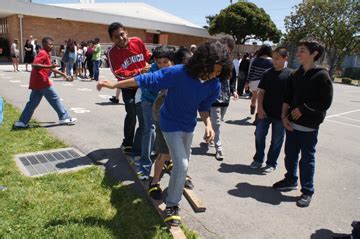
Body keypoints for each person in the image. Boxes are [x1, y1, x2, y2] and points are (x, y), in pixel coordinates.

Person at [97, 40, 231, 227]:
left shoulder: (214, 85)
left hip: (188, 126)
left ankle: (170, 178)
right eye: (213, 70)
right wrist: (114, 85)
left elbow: (204, 107)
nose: (215, 75)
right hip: (169, 123)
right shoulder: (179, 73)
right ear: (203, 62)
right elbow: (146, 79)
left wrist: (208, 125)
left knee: (183, 162)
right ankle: (172, 205)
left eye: (219, 72)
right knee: (182, 164)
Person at [272, 37, 333, 208]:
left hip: (309, 128)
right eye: (299, 50)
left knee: (306, 160)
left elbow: (324, 102)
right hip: (291, 126)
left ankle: (307, 190)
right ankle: (290, 179)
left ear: (314, 54)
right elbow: (287, 97)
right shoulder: (295, 74)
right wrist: (284, 117)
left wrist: (303, 109)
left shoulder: (322, 75)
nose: (298, 53)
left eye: (302, 51)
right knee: (290, 156)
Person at [106, 22, 151, 154]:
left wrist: (158, 60)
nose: (120, 39)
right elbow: (117, 73)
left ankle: (147, 143)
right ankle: (128, 143)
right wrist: (139, 71)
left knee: (147, 115)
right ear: (111, 39)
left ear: (126, 32)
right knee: (131, 113)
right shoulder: (112, 53)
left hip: (144, 85)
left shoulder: (137, 41)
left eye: (122, 34)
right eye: (116, 37)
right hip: (128, 87)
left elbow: (147, 56)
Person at [14, 37, 77, 129]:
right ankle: (64, 117)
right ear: (44, 44)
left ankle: (22, 122)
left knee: (32, 102)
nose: (51, 46)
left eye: (52, 44)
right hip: (42, 81)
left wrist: (64, 74)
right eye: (49, 44)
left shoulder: (46, 53)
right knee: (55, 98)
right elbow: (34, 65)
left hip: (38, 81)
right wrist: (50, 65)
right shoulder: (43, 53)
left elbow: (51, 68)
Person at [249, 47, 292, 173]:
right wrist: (260, 108)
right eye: (273, 58)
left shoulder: (290, 75)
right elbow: (261, 92)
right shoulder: (267, 73)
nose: (274, 61)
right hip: (265, 113)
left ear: (285, 59)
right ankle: (258, 159)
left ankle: (271, 163)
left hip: (281, 115)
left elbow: (291, 96)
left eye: (277, 58)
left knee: (277, 140)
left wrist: (286, 115)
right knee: (259, 135)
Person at [136, 45, 175, 181]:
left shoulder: (175, 71)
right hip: (149, 102)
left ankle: (166, 158)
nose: (162, 65)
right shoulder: (151, 72)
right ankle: (144, 166)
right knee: (150, 130)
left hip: (166, 104)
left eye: (165, 62)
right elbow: (146, 86)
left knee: (165, 132)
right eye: (159, 62)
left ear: (172, 61)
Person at [247, 45, 273, 120]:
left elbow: (251, 71)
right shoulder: (271, 61)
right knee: (261, 100)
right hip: (264, 82)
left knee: (254, 96)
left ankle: (252, 105)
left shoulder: (255, 60)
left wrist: (247, 81)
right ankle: (257, 117)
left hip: (254, 81)